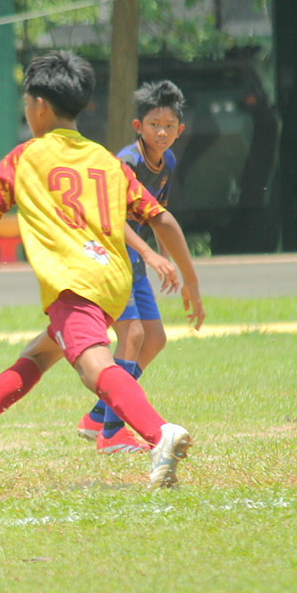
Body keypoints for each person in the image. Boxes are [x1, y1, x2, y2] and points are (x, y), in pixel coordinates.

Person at [0, 51, 205, 490]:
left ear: (38, 106)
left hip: (73, 283)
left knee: (96, 369)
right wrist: (192, 281)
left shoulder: (24, 157)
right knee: (37, 356)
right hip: (111, 281)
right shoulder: (106, 160)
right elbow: (162, 219)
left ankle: (158, 433)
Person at [76, 80, 194, 453]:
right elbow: (112, 218)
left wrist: (165, 260)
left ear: (180, 130)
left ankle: (99, 415)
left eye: (169, 125)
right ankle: (111, 434)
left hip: (137, 259)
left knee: (155, 338)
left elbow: (157, 215)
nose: (161, 131)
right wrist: (151, 254)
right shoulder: (125, 162)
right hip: (108, 255)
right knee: (133, 335)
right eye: (154, 123)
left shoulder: (167, 163)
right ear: (137, 126)